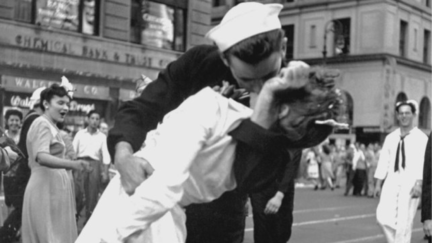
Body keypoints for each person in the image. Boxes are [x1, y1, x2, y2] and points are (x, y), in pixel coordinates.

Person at [106, 2, 330, 242]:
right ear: (225, 59)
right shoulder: (199, 64)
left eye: (267, 75)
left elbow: (284, 160)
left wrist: (302, 95)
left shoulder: (291, 90)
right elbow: (144, 107)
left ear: (283, 48)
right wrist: (123, 154)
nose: (258, 87)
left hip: (225, 213)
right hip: (164, 207)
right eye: (246, 79)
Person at [77, 63, 343, 243]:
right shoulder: (210, 105)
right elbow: (163, 188)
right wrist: (112, 235)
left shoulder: (272, 153)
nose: (293, 129)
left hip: (172, 215)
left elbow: (269, 160)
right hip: (144, 204)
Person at [21, 84, 91, 243]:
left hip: (53, 192)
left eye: (67, 103)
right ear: (46, 104)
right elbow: (41, 156)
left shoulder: (52, 127)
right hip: (45, 190)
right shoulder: (42, 123)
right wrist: (72, 164)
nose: (65, 107)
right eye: (60, 103)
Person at [374, 100, 427, 243]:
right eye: (401, 113)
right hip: (391, 180)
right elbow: (383, 161)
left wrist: (419, 184)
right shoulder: (390, 138)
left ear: (413, 115)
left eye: (407, 113)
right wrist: (378, 184)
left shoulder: (421, 138)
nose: (404, 116)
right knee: (382, 217)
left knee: (404, 222)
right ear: (397, 116)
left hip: (411, 183)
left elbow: (424, 163)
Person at [0, 87, 44, 243]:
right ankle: (9, 231)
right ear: (7, 121)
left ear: (20, 122)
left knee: (21, 205)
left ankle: (11, 232)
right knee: (8, 203)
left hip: (22, 176)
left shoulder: (23, 135)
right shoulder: (2, 136)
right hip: (7, 176)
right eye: (11, 120)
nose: (14, 122)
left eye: (17, 120)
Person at [249, 149, 301, 243]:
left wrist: (280, 194)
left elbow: (292, 165)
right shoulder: (257, 137)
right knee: (262, 231)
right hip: (260, 188)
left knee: (282, 231)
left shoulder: (292, 138)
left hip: (281, 187)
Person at [73, 110, 110, 222]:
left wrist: (105, 172)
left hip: (95, 165)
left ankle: (87, 224)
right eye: (92, 118)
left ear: (99, 121)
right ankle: (73, 220)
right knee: (78, 194)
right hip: (80, 163)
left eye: (97, 119)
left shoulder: (102, 137)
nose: (94, 121)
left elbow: (106, 155)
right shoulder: (80, 134)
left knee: (92, 196)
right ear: (88, 119)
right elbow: (73, 151)